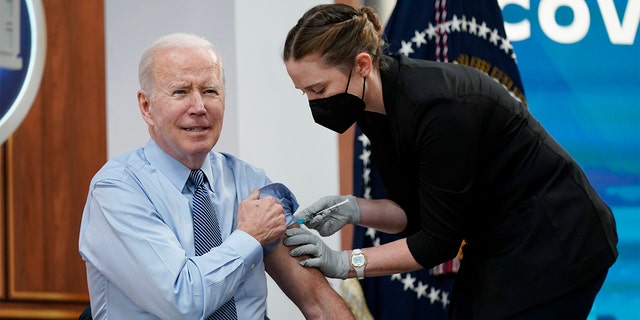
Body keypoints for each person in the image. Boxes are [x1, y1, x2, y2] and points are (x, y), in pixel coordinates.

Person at [281, 4, 618, 319]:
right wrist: (354, 209)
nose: (313, 103)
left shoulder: (438, 108)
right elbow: (414, 213)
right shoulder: (373, 108)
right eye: (304, 93)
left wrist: (344, 262)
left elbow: (437, 244)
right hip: (499, 235)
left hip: (558, 237)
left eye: (320, 89)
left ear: (363, 65)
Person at [78, 32, 354, 320]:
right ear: (146, 106)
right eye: (180, 92)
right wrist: (249, 237)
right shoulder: (117, 190)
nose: (199, 108)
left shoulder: (250, 182)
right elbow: (182, 302)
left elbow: (318, 302)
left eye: (210, 91)